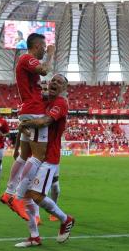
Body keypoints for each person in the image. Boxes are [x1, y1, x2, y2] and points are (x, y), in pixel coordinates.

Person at [15, 74, 75, 247]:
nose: (54, 82)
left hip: (49, 158)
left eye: (59, 82)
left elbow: (45, 122)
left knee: (36, 195)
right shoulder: (43, 101)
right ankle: (34, 236)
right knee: (27, 194)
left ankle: (66, 219)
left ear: (64, 88)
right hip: (35, 155)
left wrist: (26, 123)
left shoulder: (60, 103)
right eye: (53, 80)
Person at [0, 33, 54, 221]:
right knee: (39, 156)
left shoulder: (26, 62)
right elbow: (44, 70)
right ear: (37, 45)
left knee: (24, 155)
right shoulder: (27, 58)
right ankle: (19, 197)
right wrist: (51, 55)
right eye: (44, 46)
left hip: (28, 109)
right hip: (34, 111)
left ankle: (8, 193)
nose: (45, 49)